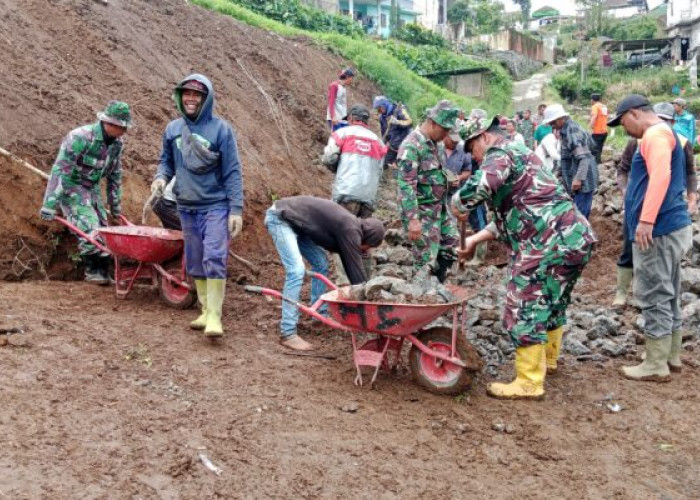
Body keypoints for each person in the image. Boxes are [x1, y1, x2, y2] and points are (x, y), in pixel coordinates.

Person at [452, 115, 596, 399]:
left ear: (483, 137)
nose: (473, 158)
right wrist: (473, 239)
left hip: (547, 243)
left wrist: (458, 202)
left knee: (524, 305)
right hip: (573, 238)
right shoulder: (523, 154)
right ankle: (548, 361)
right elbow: (517, 215)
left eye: (471, 150)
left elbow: (483, 184)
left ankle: (529, 381)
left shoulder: (499, 153)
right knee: (553, 301)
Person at [608, 95, 693, 381]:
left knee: (654, 293)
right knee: (669, 291)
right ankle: (670, 354)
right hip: (671, 225)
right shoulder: (666, 133)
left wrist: (645, 220)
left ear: (633, 114)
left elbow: (660, 176)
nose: (624, 130)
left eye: (622, 123)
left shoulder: (654, 135)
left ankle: (656, 364)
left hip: (659, 229)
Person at [152, 74, 244, 338]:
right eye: (187, 94)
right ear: (180, 97)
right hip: (186, 205)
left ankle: (215, 314)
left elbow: (232, 172)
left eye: (197, 95)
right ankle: (204, 310)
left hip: (215, 205)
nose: (191, 99)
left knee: (214, 256)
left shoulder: (220, 130)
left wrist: (236, 209)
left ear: (207, 99)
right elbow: (166, 161)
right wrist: (160, 177)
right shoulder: (172, 129)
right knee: (194, 260)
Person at [264, 196, 385, 351]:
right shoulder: (351, 229)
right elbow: (356, 274)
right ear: (369, 237)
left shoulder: (352, 226)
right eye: (368, 246)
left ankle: (318, 314)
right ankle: (288, 333)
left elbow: (352, 262)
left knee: (321, 263)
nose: (366, 250)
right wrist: (368, 304)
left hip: (298, 224)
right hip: (281, 218)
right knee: (296, 270)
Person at [612, 102, 698, 308]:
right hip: (638, 210)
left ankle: (655, 303)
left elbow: (686, 172)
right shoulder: (638, 142)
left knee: (658, 290)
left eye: (668, 121)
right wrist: (626, 192)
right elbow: (622, 170)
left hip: (658, 218)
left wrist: (692, 195)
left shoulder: (674, 141)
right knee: (628, 250)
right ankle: (622, 291)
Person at [40, 100, 132, 285]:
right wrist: (49, 204)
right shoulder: (79, 137)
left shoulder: (116, 144)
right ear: (109, 124)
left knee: (105, 229)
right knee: (89, 225)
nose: (124, 131)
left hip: (92, 186)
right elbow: (61, 169)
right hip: (71, 185)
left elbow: (114, 174)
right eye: (122, 127)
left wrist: (115, 207)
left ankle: (105, 271)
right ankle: (93, 271)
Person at [396, 100, 460, 282]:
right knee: (425, 259)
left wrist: (447, 181)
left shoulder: (436, 144)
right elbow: (406, 184)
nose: (447, 135)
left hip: (440, 209)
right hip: (422, 214)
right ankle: (421, 293)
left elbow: (436, 172)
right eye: (445, 130)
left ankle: (437, 286)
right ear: (432, 123)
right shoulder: (412, 146)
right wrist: (413, 219)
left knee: (450, 247)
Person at [322, 103, 387, 281]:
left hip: (345, 193)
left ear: (351, 118)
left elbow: (328, 158)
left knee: (341, 238)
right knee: (364, 240)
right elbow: (380, 170)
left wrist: (339, 169)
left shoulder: (342, 134)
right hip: (368, 196)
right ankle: (364, 283)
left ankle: (345, 285)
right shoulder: (378, 141)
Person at [544, 103, 598, 219]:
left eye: (553, 122)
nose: (552, 125)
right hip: (575, 178)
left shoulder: (573, 132)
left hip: (584, 182)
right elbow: (566, 157)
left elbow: (584, 158)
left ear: (561, 118)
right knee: (576, 213)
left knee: (580, 216)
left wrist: (578, 179)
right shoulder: (564, 131)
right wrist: (555, 174)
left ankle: (583, 235)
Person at [372, 95, 412, 171]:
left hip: (404, 144)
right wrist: (384, 143)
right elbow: (385, 132)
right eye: (378, 109)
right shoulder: (382, 118)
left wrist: (397, 122)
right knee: (383, 164)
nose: (379, 111)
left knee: (402, 169)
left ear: (384, 105)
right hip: (392, 146)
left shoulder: (399, 109)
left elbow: (409, 122)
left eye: (380, 108)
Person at [589, 93, 608, 164]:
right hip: (605, 131)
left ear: (592, 100)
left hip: (597, 131)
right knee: (599, 147)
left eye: (590, 99)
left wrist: (590, 126)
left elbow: (594, 116)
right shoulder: (604, 107)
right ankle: (598, 162)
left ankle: (595, 163)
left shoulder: (595, 106)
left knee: (593, 148)